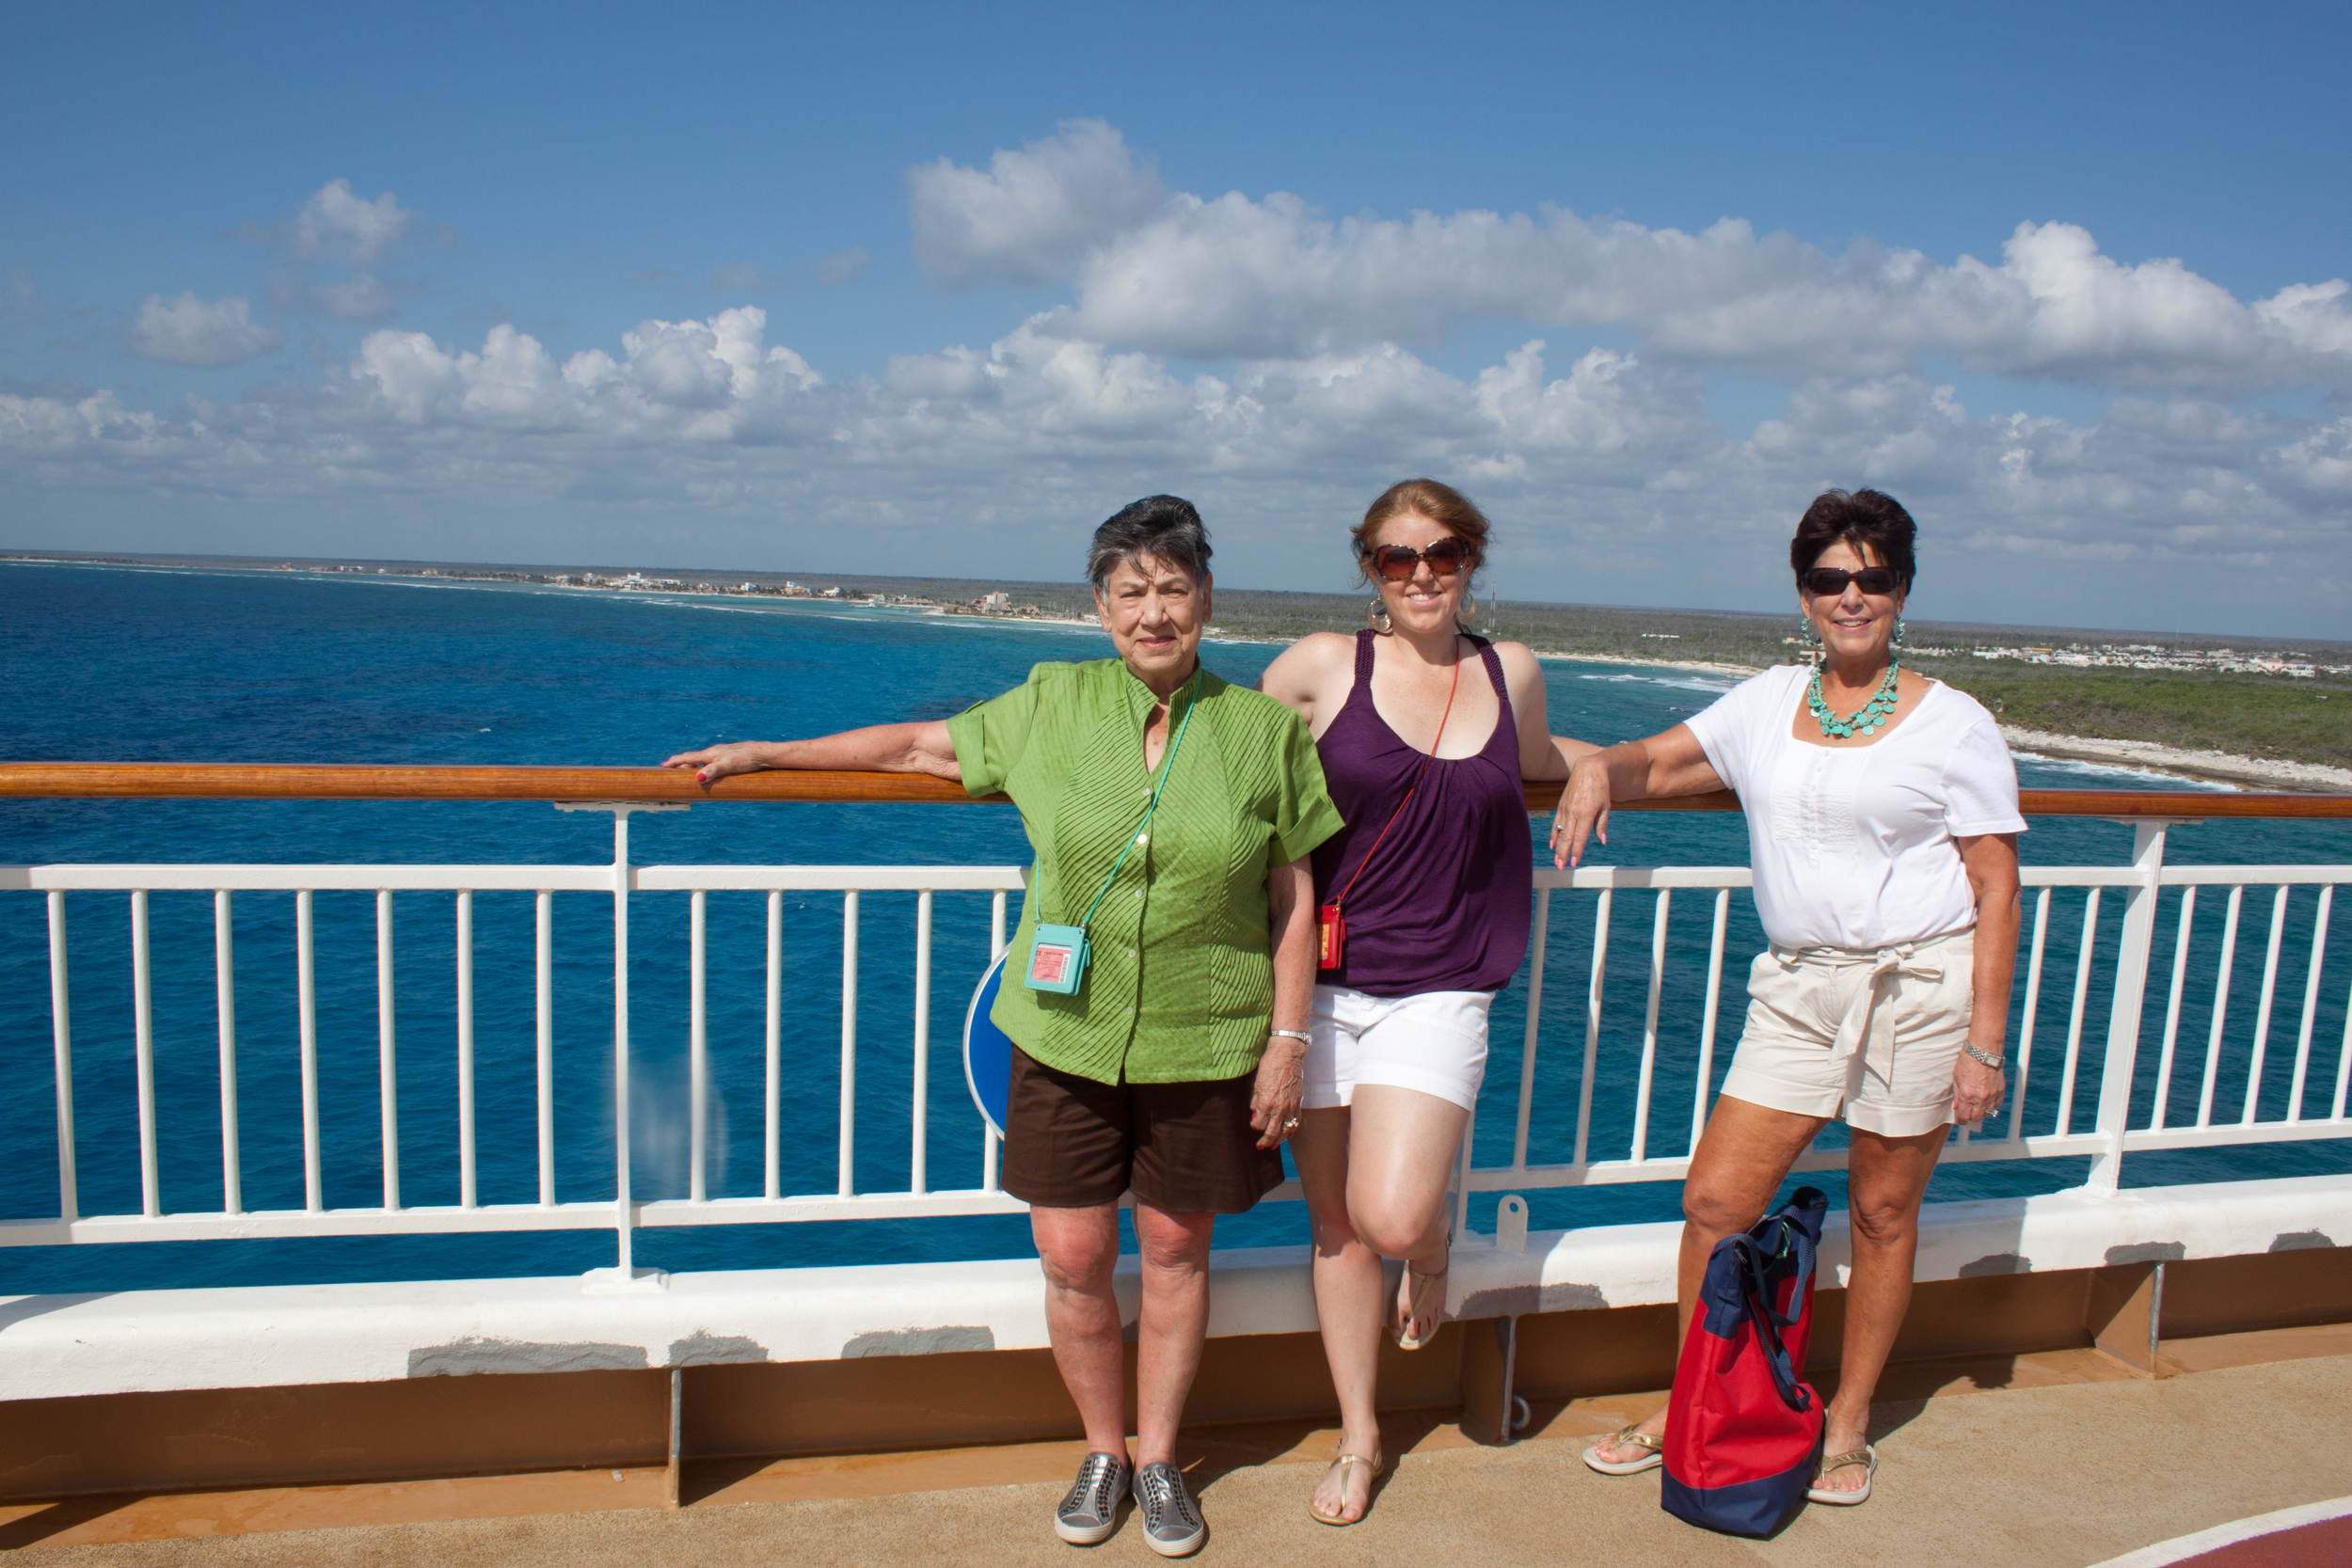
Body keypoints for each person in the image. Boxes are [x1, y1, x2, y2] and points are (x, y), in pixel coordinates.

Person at [663, 496, 1343, 1558]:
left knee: (1173, 1246)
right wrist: (762, 750)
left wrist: (1288, 1040)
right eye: (1131, 591)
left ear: (1206, 598)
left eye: (1173, 588)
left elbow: (1294, 893)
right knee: (1073, 1252)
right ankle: (1104, 1448)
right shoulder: (1051, 703)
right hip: (1064, 1032)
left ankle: (1161, 1458)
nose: (1153, 612)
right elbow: (912, 746)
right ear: (1100, 606)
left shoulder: (1262, 730)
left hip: (1207, 1033)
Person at [1557, 487, 2022, 1508]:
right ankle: (1698, 1402)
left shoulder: (1955, 723)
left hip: (1918, 982)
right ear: (1803, 592)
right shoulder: (1768, 700)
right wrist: (1596, 766)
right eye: (1828, 579)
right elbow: (1661, 759)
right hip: (1799, 985)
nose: (1850, 596)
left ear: (1902, 588)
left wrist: (1984, 1042)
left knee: (1883, 1210)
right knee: (1717, 1200)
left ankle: (1847, 1420)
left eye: (1872, 577)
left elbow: (1994, 883)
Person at [1258, 478, 1597, 1527]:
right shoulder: (1322, 665)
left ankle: (1436, 1246)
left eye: (1440, 554)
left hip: (1441, 984)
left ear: (1471, 560)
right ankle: (1360, 1436)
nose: (1418, 575)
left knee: (1395, 1213)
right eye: (1394, 557)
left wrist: (1591, 769)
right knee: (1338, 1228)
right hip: (1319, 977)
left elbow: (1533, 760)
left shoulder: (1511, 671)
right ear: (1367, 566)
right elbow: (1223, 770)